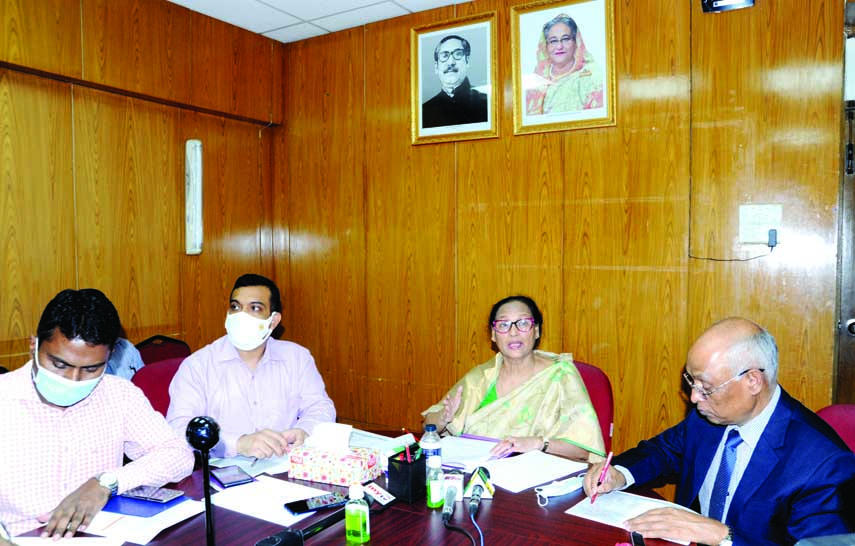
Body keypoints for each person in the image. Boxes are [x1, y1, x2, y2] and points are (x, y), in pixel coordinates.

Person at [584, 317, 855, 546]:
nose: (693, 398)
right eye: (691, 381)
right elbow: (663, 452)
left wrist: (722, 536)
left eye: (705, 387)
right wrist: (620, 473)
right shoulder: (709, 415)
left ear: (752, 381)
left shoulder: (825, 466)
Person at [0, 289, 194, 540]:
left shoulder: (119, 394)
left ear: (111, 357)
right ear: (33, 346)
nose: (73, 380)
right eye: (59, 364)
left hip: (102, 536)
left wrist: (106, 483)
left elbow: (179, 456)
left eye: (91, 368)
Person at [166, 273, 336, 459]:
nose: (241, 316)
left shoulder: (296, 358)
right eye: (235, 307)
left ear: (273, 321)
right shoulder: (198, 365)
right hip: (220, 474)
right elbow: (178, 429)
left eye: (255, 308)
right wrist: (238, 443)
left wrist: (304, 430)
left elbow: (320, 407)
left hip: (282, 468)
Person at [422, 295, 605, 462]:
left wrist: (539, 443)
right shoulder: (481, 376)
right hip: (477, 472)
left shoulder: (561, 376)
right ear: (494, 335)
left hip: (536, 479)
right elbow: (428, 425)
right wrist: (443, 419)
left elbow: (583, 449)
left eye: (523, 323)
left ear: (536, 331)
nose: (513, 332)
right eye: (503, 325)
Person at [525, 14, 604, 116]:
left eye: (566, 39)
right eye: (553, 41)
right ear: (545, 46)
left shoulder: (591, 75)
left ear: (576, 42)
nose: (559, 46)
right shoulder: (536, 81)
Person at [422, 35, 489, 128]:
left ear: (467, 61)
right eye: (444, 56)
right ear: (436, 67)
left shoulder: (488, 104)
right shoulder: (424, 111)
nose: (451, 62)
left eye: (458, 54)